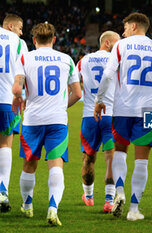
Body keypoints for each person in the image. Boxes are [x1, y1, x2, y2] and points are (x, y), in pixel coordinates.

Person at [12, 23, 82, 226]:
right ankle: (52, 208)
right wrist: (61, 106)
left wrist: (18, 95)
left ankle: (27, 206)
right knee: (56, 164)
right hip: (57, 121)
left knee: (29, 164)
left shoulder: (25, 58)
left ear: (33, 40)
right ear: (53, 39)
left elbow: (18, 86)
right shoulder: (67, 59)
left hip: (32, 120)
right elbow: (77, 93)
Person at [94, 12, 152, 221]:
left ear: (133, 26)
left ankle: (119, 190)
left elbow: (107, 75)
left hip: (122, 108)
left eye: (124, 27)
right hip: (149, 109)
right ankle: (134, 209)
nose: (122, 32)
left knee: (120, 152)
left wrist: (99, 99)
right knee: (142, 162)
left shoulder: (120, 46)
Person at [77, 31, 120, 213]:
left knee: (88, 158)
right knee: (111, 159)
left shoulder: (83, 61)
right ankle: (109, 201)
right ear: (108, 43)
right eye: (117, 43)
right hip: (110, 115)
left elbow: (74, 85)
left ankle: (88, 196)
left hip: (89, 116)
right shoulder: (117, 62)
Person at [0, 18, 26, 213]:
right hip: (7, 100)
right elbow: (23, 74)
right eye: (20, 28)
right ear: (10, 26)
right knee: (4, 144)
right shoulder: (18, 43)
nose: (21, 33)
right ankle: (2, 191)